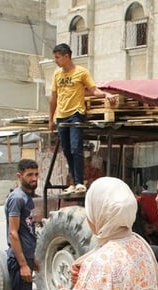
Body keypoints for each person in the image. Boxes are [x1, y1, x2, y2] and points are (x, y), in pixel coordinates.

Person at [48, 43, 116, 194]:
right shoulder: (57, 74)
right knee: (66, 150)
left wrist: (106, 94)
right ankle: (72, 181)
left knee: (75, 148)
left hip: (76, 114)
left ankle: (79, 181)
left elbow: (93, 89)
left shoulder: (81, 72)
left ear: (67, 56)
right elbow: (53, 97)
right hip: (61, 116)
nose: (56, 61)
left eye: (58, 57)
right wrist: (50, 118)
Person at [4, 159, 42, 290]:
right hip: (18, 260)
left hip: (24, 257)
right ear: (19, 176)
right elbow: (13, 233)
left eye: (36, 174)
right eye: (29, 175)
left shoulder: (27, 198)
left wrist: (32, 258)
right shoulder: (17, 198)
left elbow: (26, 232)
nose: (34, 179)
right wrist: (23, 264)